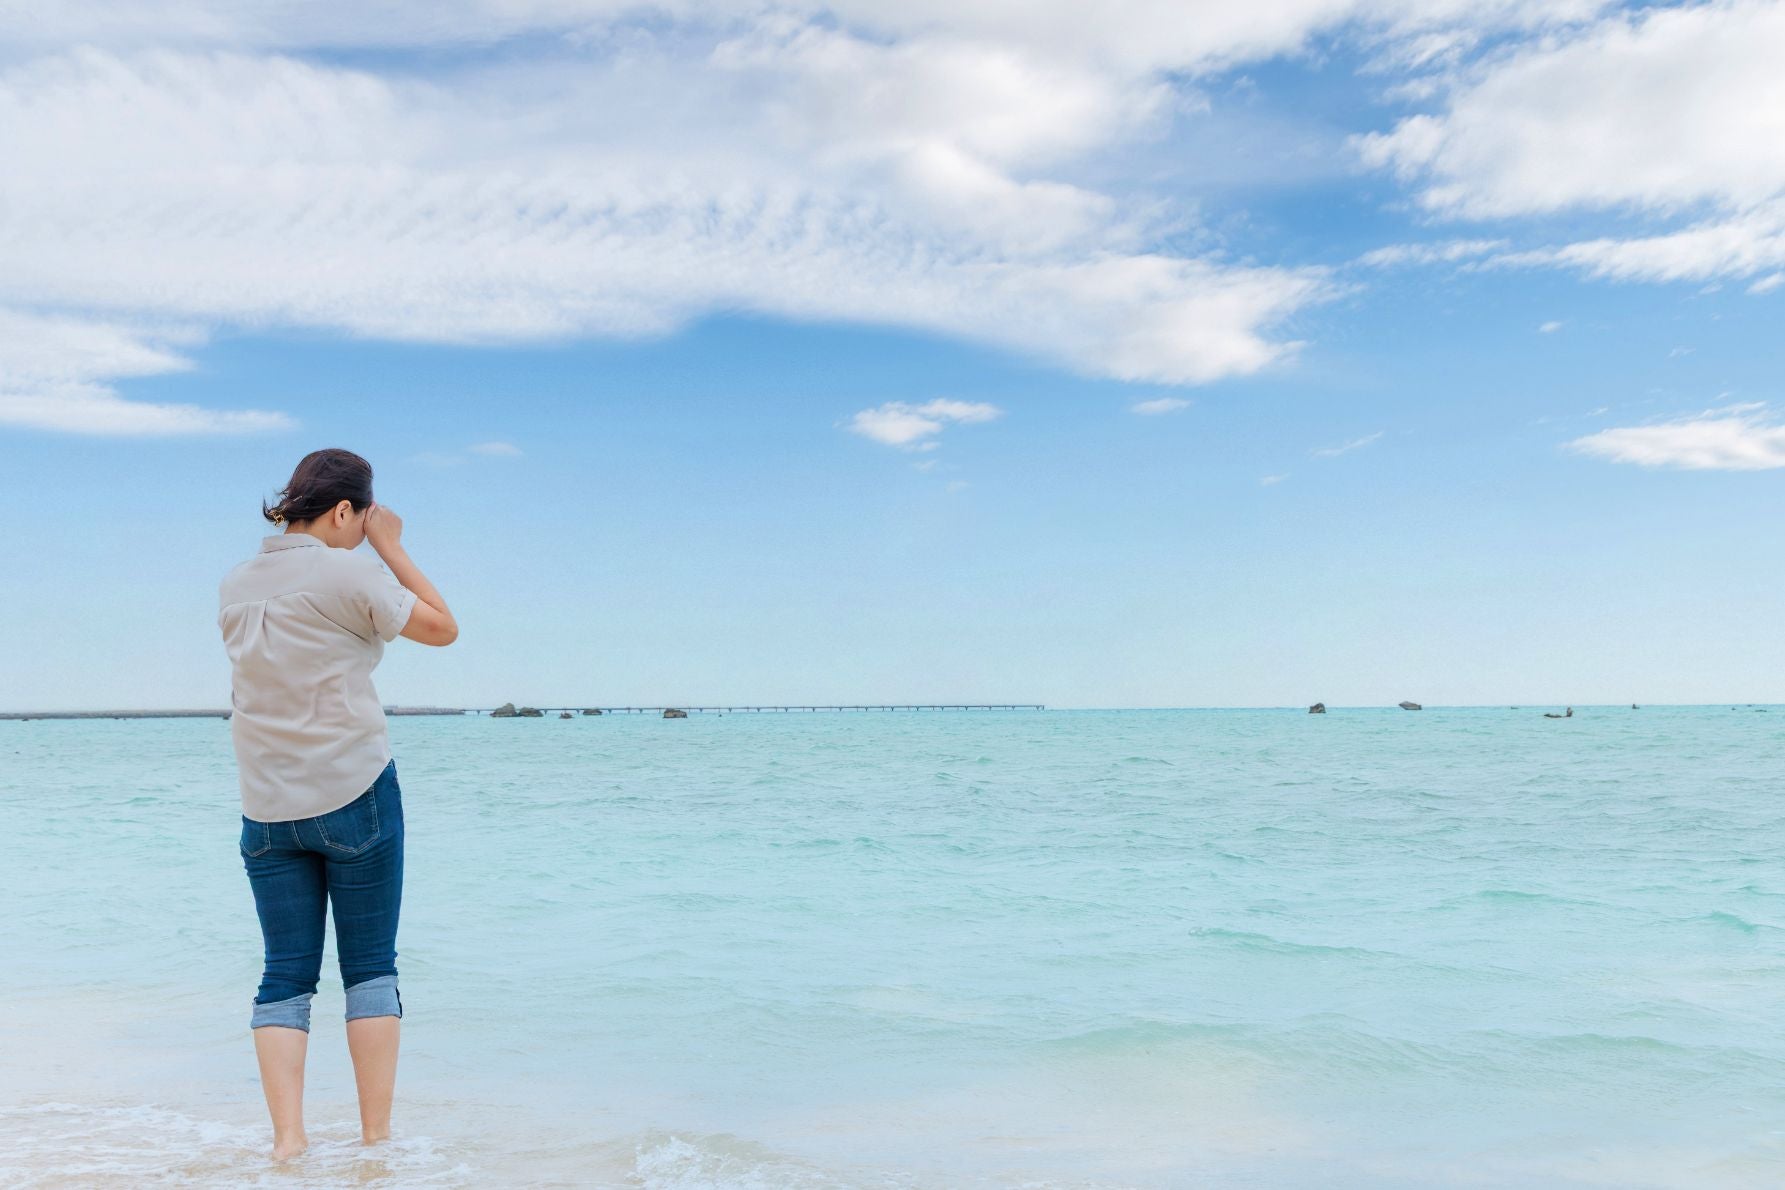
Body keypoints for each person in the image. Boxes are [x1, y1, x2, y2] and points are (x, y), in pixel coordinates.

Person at [217, 448, 459, 1161]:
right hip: (353, 792)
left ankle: (288, 1144)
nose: (361, 531)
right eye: (362, 518)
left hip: (265, 804)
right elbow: (443, 627)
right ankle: (376, 1143)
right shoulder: (349, 568)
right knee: (370, 968)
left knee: (284, 975)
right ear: (345, 509)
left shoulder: (234, 582)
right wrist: (393, 546)